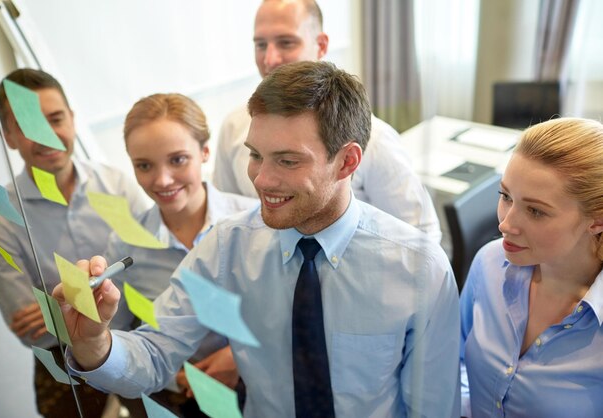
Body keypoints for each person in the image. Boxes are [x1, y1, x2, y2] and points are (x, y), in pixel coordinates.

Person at [54, 61, 460, 417]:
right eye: (255, 155)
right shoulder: (227, 246)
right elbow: (157, 352)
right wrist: (96, 344)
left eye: (287, 160)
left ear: (348, 161)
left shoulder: (418, 269)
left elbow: (431, 408)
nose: (262, 180)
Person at [0, 68, 148, 417]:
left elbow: (154, 278)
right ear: (7, 136)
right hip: (64, 368)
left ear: (71, 119)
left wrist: (58, 306)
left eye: (55, 119)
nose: (46, 135)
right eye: (27, 125)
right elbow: (33, 332)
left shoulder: (118, 185)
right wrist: (113, 291)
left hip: (139, 343)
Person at [213, 0, 441, 242]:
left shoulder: (375, 140)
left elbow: (422, 238)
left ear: (320, 45)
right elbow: (226, 213)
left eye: (286, 43)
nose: (270, 59)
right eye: (261, 45)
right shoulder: (234, 128)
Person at [106, 93, 257, 416]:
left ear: (204, 152)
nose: (161, 180)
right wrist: (174, 378)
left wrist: (236, 357)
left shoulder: (255, 221)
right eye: (144, 165)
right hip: (175, 400)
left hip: (263, 389)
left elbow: (289, 311)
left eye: (177, 160)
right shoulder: (125, 247)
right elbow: (116, 335)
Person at [460, 118, 603, 417]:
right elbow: (455, 360)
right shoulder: (488, 264)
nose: (505, 224)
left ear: (597, 220)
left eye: (536, 211)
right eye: (505, 197)